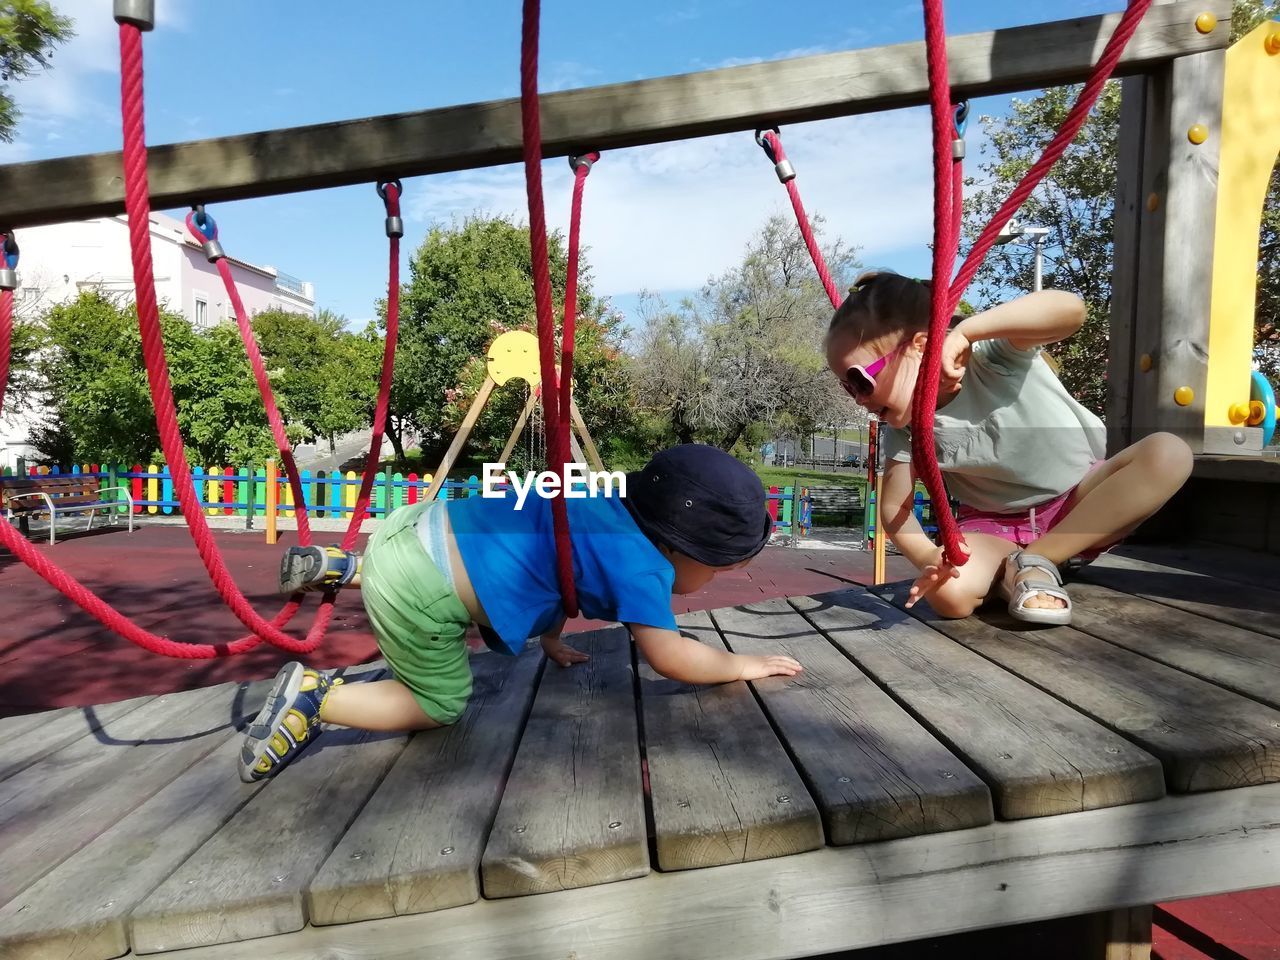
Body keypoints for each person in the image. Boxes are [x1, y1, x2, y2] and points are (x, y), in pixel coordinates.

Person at [239, 443, 802, 782]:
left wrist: (550, 638)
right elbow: (671, 657)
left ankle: (341, 567)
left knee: (482, 550)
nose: (709, 583)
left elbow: (556, 566)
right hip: (418, 589)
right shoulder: (645, 569)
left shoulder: (601, 499)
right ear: (682, 548)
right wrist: (742, 665)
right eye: (717, 569)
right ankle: (318, 699)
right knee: (439, 704)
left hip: (412, 527)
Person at [825, 270, 1192, 626]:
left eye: (860, 381)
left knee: (1168, 453)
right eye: (847, 387)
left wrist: (968, 331)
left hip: (1077, 506)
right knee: (948, 597)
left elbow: (1070, 310)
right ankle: (1027, 569)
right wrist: (929, 558)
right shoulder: (904, 430)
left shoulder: (992, 357)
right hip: (992, 529)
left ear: (919, 347)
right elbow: (894, 506)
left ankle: (1036, 561)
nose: (858, 399)